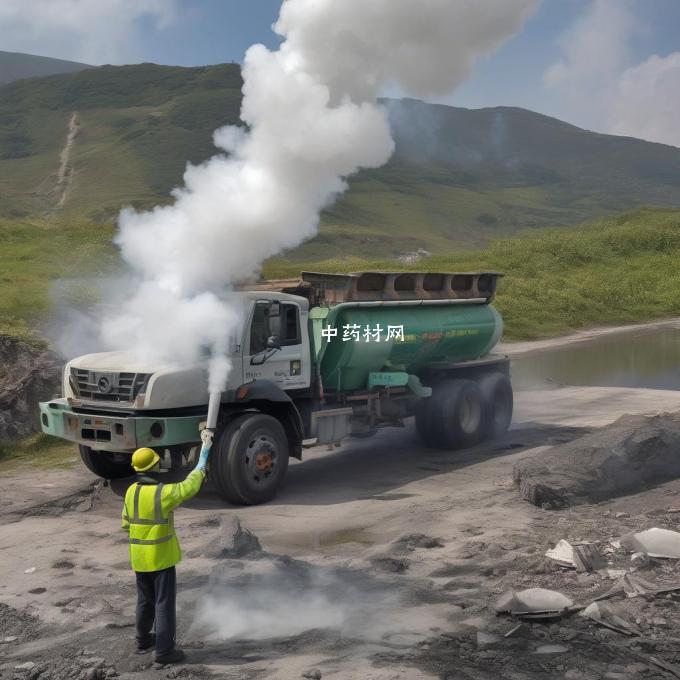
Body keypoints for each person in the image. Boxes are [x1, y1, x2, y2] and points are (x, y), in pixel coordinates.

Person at [121, 429, 213, 665]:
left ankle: (143, 641)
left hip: (139, 559)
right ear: (153, 467)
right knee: (164, 603)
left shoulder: (130, 492)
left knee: (145, 601)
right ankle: (164, 652)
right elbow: (189, 487)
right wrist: (203, 457)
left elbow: (125, 525)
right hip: (161, 559)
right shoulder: (162, 494)